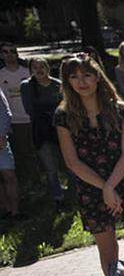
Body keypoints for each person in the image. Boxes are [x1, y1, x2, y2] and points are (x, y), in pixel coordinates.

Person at [54, 54, 124, 276]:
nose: (82, 82)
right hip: (91, 188)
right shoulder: (63, 115)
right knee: (108, 252)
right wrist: (104, 188)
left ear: (98, 76)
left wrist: (111, 187)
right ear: (67, 82)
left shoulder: (121, 111)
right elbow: (72, 161)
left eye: (87, 75)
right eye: (74, 77)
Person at [20, 57, 70, 207]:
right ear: (31, 70)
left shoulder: (58, 85)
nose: (39, 70)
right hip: (41, 131)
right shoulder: (27, 86)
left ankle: (75, 194)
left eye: (42, 66)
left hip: (61, 129)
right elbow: (30, 110)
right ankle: (58, 197)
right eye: (35, 67)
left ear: (48, 67)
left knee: (70, 163)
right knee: (50, 167)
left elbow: (66, 107)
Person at [1, 42, 34, 184]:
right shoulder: (1, 75)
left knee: (36, 151)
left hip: (31, 118)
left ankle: (39, 180)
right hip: (14, 121)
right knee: (21, 153)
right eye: (5, 52)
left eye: (12, 51)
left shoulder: (27, 72)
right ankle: (28, 180)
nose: (9, 55)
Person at [0, 91, 17, 219]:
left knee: (9, 176)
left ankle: (15, 211)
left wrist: (2, 135)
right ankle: (4, 209)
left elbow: (6, 113)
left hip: (1, 141)